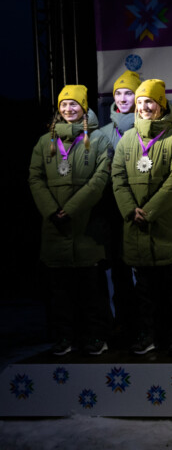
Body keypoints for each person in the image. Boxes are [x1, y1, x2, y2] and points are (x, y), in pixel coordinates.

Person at [112, 79, 172, 355]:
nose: (144, 107)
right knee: (145, 292)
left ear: (161, 104)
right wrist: (130, 210)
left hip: (169, 224)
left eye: (149, 101)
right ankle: (148, 335)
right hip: (136, 226)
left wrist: (149, 212)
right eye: (140, 102)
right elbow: (117, 178)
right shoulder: (127, 139)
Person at [29, 85, 113, 356]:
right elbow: (35, 177)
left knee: (91, 290)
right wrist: (52, 210)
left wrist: (73, 208)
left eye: (74, 104)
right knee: (60, 291)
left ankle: (96, 337)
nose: (68, 109)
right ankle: (65, 337)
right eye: (64, 104)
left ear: (84, 107)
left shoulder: (99, 140)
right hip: (54, 225)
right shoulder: (45, 141)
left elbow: (101, 178)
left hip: (87, 224)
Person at [92, 70, 141, 342]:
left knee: (145, 271)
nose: (122, 99)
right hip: (112, 210)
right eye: (118, 93)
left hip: (142, 208)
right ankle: (124, 323)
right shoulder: (101, 134)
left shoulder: (148, 128)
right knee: (120, 270)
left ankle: (148, 325)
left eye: (129, 93)